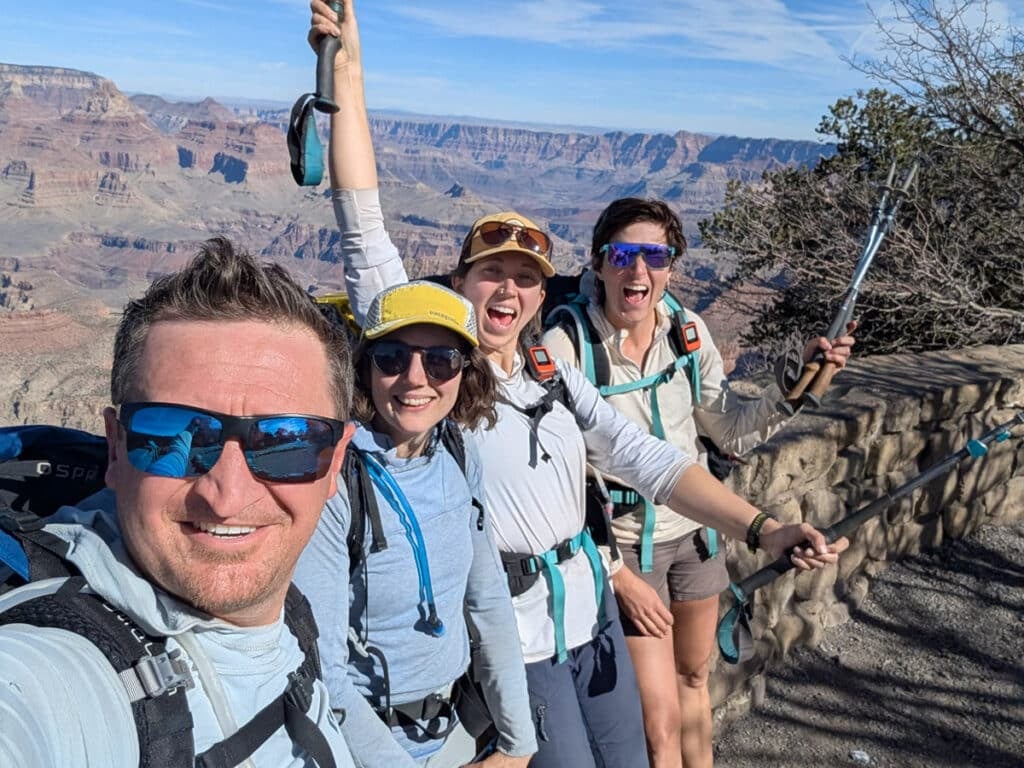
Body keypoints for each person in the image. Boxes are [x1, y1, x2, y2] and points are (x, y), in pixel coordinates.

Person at [307, 4, 849, 766]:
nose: (508, 288)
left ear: (540, 295)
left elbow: (650, 460)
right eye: (491, 271)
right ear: (460, 283)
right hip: (513, 640)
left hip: (589, 615)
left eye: (525, 278)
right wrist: (347, 77)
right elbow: (363, 226)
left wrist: (763, 528)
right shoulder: (433, 379)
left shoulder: (547, 373)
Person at [0, 238, 359, 768]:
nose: (226, 495)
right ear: (117, 447)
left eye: (286, 442)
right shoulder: (54, 674)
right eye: (174, 437)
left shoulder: (294, 621)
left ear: (334, 462)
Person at [542, 197, 856, 768]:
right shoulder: (567, 346)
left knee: (695, 678)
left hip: (696, 536)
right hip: (626, 546)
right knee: (656, 720)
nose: (639, 271)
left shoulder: (687, 333)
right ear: (598, 262)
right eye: (624, 254)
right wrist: (615, 575)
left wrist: (796, 387)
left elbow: (728, 430)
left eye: (655, 256)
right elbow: (563, 475)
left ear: (672, 266)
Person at [294, 280, 536, 767]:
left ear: (465, 370)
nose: (415, 378)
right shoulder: (336, 479)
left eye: (441, 359)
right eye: (392, 357)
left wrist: (517, 741)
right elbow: (324, 673)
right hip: (362, 752)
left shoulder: (457, 449)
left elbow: (486, 598)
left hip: (456, 736)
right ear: (364, 366)